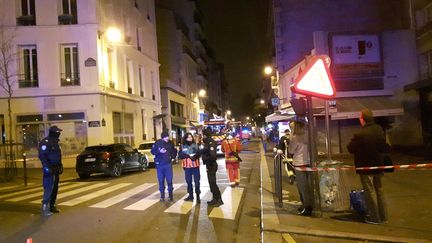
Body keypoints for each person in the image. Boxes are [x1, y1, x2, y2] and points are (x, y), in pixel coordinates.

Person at [347, 109, 388, 224]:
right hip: (378, 165)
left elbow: (350, 148)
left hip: (365, 167)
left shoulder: (360, 134)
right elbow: (383, 146)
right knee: (379, 190)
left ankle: (374, 217)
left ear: (363, 119)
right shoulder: (379, 129)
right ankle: (383, 216)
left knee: (370, 192)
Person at [38, 125, 64, 216]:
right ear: (54, 132)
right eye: (58, 132)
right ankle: (45, 208)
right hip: (49, 168)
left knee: (55, 187)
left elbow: (58, 155)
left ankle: (52, 206)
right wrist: (47, 167)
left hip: (56, 167)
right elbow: (42, 156)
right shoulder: (45, 142)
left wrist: (60, 165)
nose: (59, 134)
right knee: (49, 187)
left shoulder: (56, 142)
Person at [288, 121, 313, 216]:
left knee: (302, 187)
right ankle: (308, 205)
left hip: (299, 164)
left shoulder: (295, 138)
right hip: (309, 163)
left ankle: (307, 207)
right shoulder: (307, 136)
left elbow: (291, 150)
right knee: (308, 186)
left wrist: (290, 138)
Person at [151, 130, 177, 202]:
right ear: (162, 137)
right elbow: (152, 151)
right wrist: (159, 151)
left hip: (168, 164)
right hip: (160, 165)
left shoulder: (171, 143)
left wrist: (172, 158)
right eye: (165, 137)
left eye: (168, 137)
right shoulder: (157, 143)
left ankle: (170, 196)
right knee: (161, 180)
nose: (167, 139)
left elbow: (174, 151)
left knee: (169, 180)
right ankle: (162, 196)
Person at [201, 128, 223, 206]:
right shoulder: (207, 142)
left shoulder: (210, 142)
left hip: (211, 165)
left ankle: (219, 199)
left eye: (203, 135)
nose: (202, 137)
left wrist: (205, 159)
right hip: (209, 165)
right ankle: (214, 198)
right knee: (211, 183)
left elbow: (213, 156)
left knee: (213, 183)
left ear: (205, 135)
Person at [178, 132, 201, 203]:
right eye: (188, 137)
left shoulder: (195, 145)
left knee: (197, 182)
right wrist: (188, 156)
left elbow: (199, 153)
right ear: (185, 138)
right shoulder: (182, 146)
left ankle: (198, 196)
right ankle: (190, 196)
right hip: (187, 167)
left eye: (191, 137)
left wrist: (195, 156)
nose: (190, 138)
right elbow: (180, 156)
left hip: (195, 166)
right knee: (189, 182)